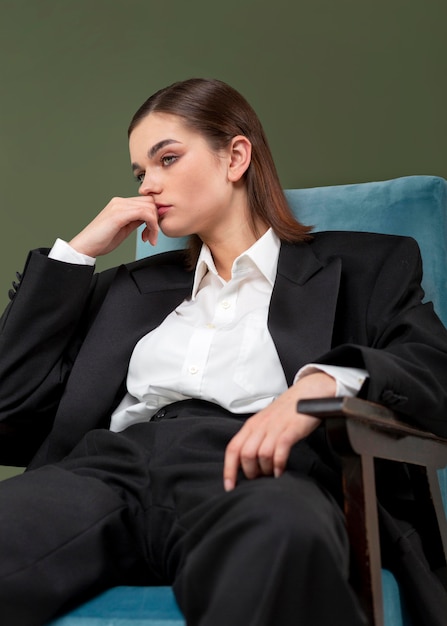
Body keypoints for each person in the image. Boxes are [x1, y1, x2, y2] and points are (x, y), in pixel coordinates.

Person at [0, 78, 446, 626]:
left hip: (252, 470)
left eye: (167, 159)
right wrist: (77, 252)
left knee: (283, 534)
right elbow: (9, 409)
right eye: (141, 173)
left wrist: (322, 383)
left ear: (235, 156)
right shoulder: (129, 289)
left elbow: (431, 369)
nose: (148, 187)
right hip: (105, 469)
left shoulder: (367, 265)